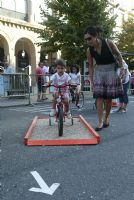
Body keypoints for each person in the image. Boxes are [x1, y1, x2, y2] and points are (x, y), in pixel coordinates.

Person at [84, 26, 124, 131]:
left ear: (95, 36)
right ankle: (100, 121)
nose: (88, 41)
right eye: (86, 39)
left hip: (111, 71)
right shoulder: (89, 50)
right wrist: (92, 81)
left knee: (109, 98)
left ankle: (107, 118)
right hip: (99, 73)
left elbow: (118, 54)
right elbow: (91, 66)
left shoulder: (108, 42)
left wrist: (122, 68)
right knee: (99, 98)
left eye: (89, 38)